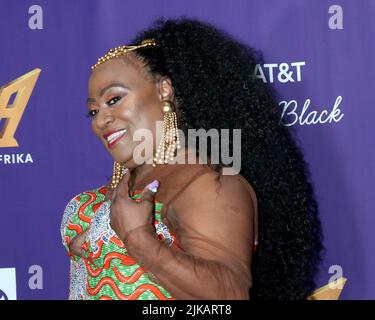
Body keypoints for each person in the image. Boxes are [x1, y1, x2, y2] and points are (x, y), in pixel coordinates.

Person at [61, 18, 323, 300]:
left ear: (164, 89)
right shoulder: (132, 181)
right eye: (93, 111)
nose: (101, 120)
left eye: (113, 100)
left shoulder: (208, 183)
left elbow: (229, 295)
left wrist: (139, 238)